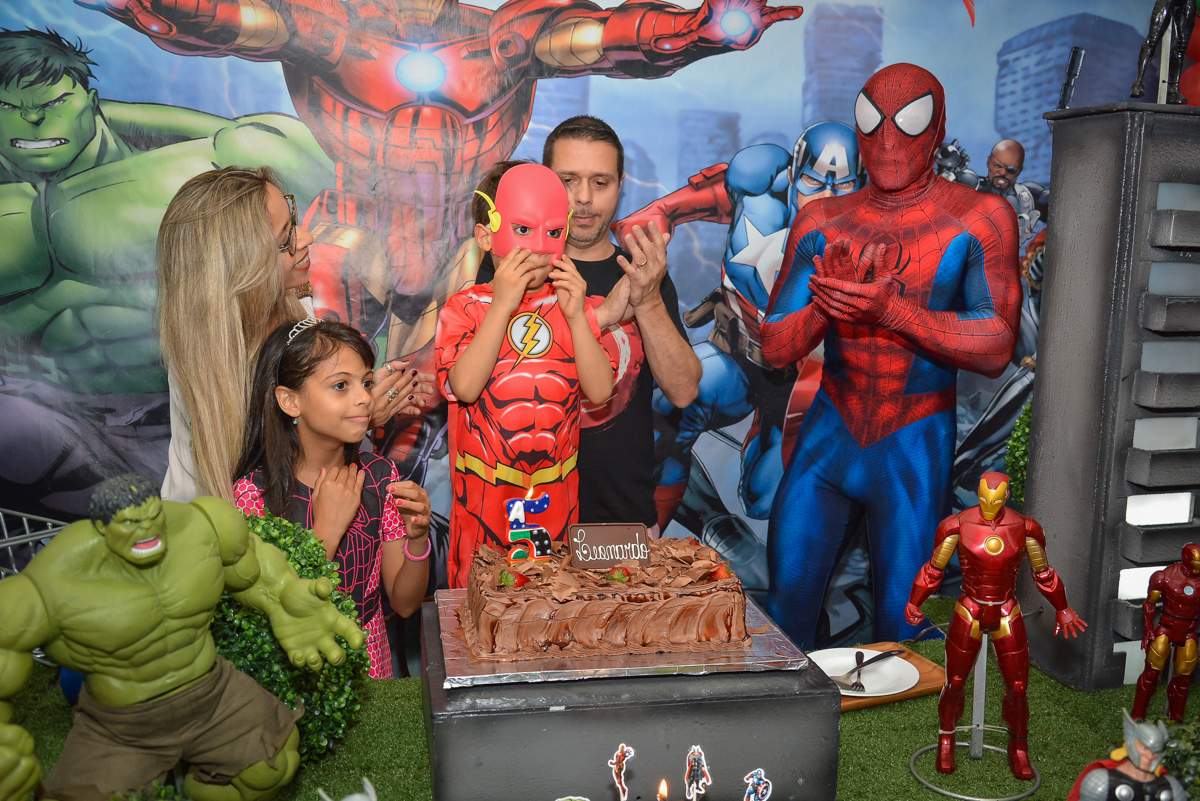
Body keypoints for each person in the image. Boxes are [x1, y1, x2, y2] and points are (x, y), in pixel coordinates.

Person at [0, 29, 332, 517]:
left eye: (55, 99)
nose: (32, 118)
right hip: (72, 430)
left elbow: (289, 150)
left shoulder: (198, 166)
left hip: (192, 452)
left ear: (91, 101)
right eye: (11, 107)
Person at [760, 64, 1023, 650]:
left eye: (907, 124)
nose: (887, 142)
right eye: (872, 124)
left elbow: (997, 347)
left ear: (937, 129)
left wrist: (894, 313)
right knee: (787, 605)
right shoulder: (822, 219)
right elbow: (775, 347)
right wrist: (827, 307)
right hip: (831, 434)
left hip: (912, 439)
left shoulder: (980, 217)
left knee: (901, 624)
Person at [0, 472, 363, 801]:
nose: (144, 532)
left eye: (150, 516)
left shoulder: (202, 527)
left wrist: (283, 595)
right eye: (128, 523)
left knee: (272, 761)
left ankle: (198, 784)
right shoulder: (54, 578)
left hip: (213, 694)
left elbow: (254, 574)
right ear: (103, 526)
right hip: (122, 726)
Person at [615, 120, 866, 532]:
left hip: (804, 382)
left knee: (765, 499)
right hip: (739, 355)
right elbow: (689, 203)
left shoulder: (879, 232)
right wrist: (657, 216)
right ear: (791, 177)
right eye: (813, 182)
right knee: (663, 415)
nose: (824, 199)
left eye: (843, 187)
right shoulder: (760, 188)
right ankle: (644, 542)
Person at [476, 115, 701, 538]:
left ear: (620, 185)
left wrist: (647, 298)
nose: (583, 199)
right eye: (567, 181)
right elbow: (480, 381)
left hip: (620, 522)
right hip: (525, 519)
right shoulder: (512, 265)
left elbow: (684, 390)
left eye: (600, 183)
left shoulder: (641, 273)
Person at [157, 166, 429, 504]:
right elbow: (253, 470)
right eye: (286, 236)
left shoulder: (301, 310)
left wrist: (351, 409)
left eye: (294, 222)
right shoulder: (201, 357)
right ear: (241, 261)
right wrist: (356, 414)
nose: (308, 238)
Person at [439, 162, 616, 586]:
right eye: (522, 231)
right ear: (486, 236)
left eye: (553, 233)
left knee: (546, 606)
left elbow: (601, 391)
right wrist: (501, 305)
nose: (538, 249)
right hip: (485, 495)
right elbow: (463, 387)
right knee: (479, 604)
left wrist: (576, 317)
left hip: (553, 499)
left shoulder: (574, 307)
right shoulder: (465, 308)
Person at [233, 320, 431, 678]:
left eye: (366, 383)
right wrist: (326, 530)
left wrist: (418, 541)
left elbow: (405, 604)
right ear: (290, 401)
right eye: (341, 385)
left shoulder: (380, 476)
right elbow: (275, 610)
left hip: (372, 668)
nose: (364, 398)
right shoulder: (254, 495)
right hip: (297, 672)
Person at [906, 472, 1086, 780]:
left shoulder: (1025, 527)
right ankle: (946, 739)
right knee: (956, 681)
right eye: (984, 499)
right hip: (970, 607)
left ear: (1005, 497)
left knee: (1018, 687)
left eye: (996, 500)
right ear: (978, 495)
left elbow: (1043, 573)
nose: (989, 506)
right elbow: (933, 570)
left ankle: (1018, 748)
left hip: (1005, 607)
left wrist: (1062, 607)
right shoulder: (956, 525)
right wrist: (915, 601)